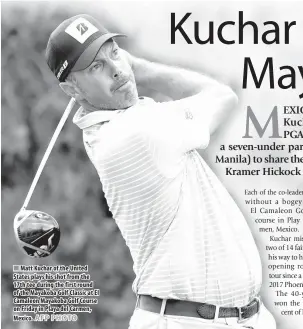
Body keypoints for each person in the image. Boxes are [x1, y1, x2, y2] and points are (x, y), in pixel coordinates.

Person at [46, 14, 277, 329]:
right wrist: (139, 69)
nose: (116, 69)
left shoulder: (123, 122)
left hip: (233, 319)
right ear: (72, 87)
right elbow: (222, 96)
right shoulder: (134, 134)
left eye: (114, 52)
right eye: (96, 67)